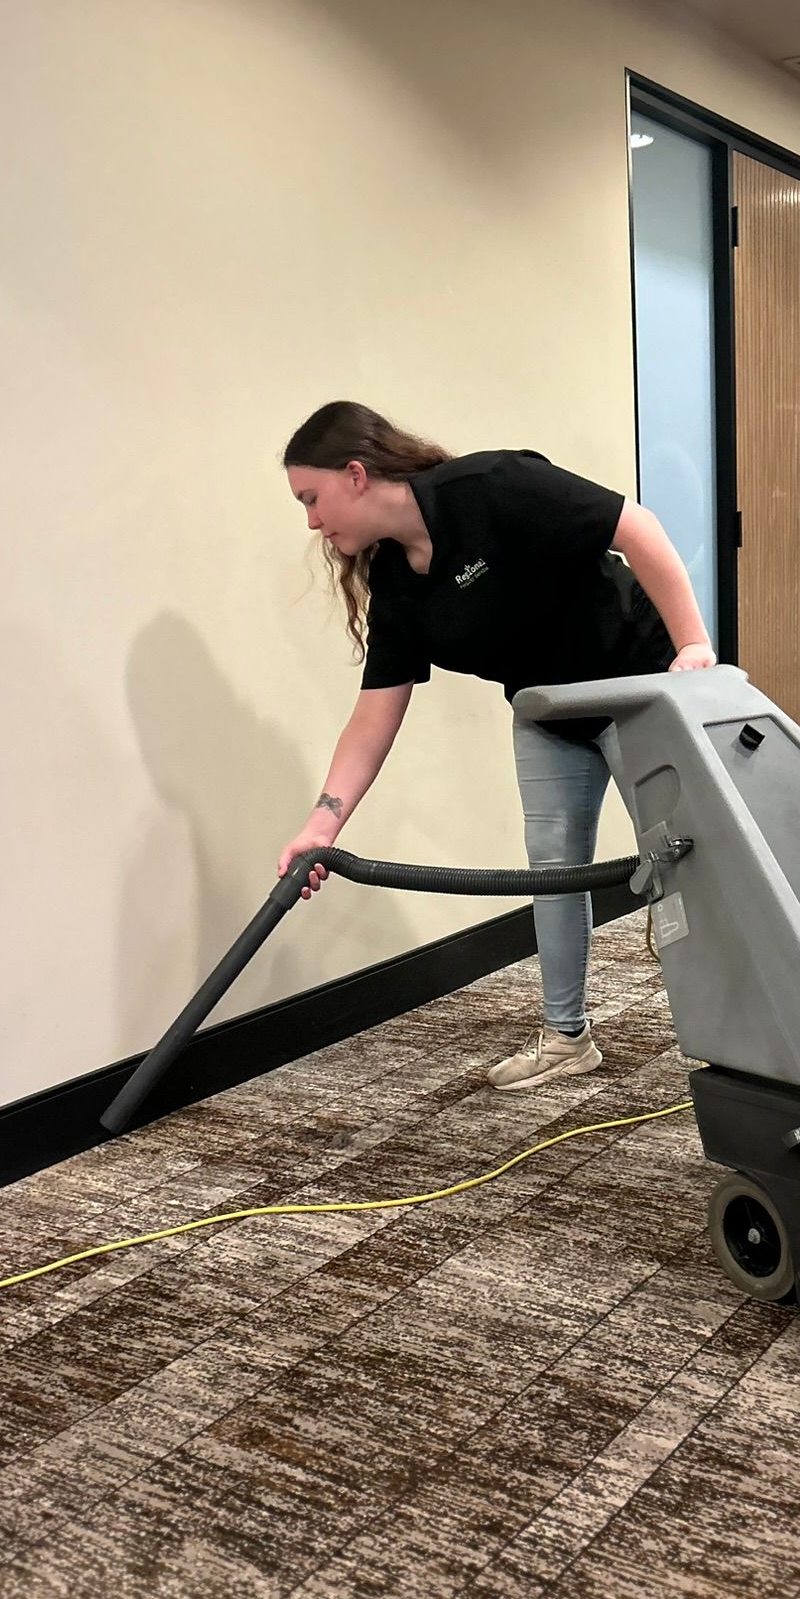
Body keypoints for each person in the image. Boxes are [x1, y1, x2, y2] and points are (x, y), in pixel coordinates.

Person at [277, 400, 716, 1091]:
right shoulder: (394, 579)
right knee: (552, 867)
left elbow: (637, 528)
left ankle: (728, 1031)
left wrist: (694, 646)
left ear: (355, 475)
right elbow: (373, 718)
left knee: (680, 860)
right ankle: (567, 1036)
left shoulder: (491, 488)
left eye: (311, 497)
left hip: (633, 685)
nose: (310, 519)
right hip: (546, 710)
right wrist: (319, 826)